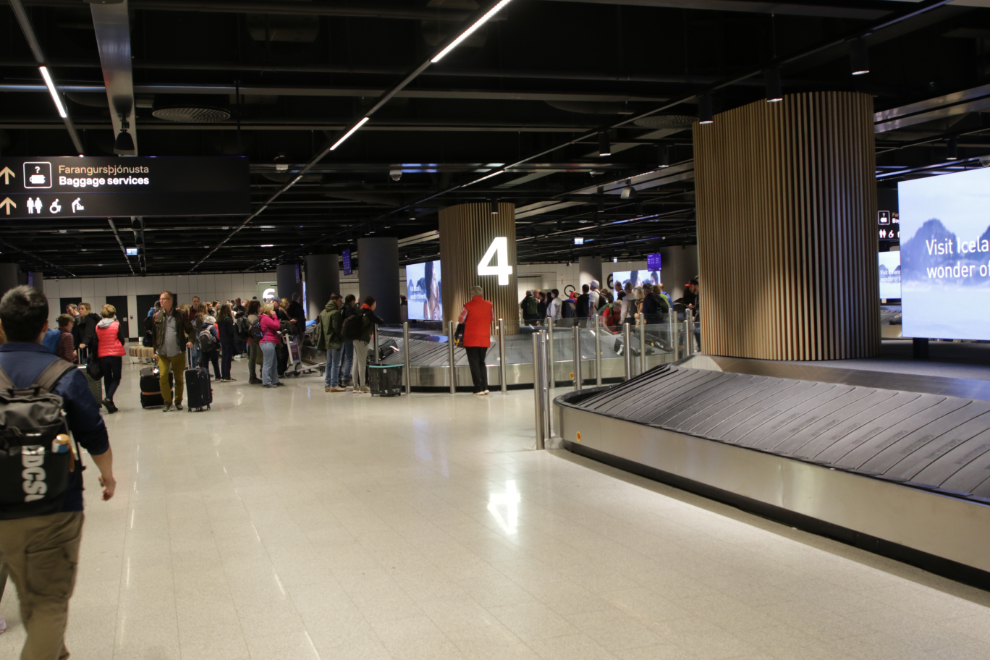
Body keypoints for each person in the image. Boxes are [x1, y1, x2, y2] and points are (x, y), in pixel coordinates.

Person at [0, 285, 115, 660]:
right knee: (49, 602)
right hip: (54, 505)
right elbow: (93, 432)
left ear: (2, 326)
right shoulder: (62, 375)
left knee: (29, 597)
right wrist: (108, 476)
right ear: (45, 326)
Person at [152, 291, 195, 412]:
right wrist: (155, 350)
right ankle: (167, 401)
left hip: (178, 351)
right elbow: (154, 335)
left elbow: (191, 330)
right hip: (162, 353)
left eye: (163, 299)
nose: (161, 301)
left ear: (170, 301)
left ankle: (178, 401)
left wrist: (191, 340)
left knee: (179, 378)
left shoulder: (180, 315)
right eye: (160, 299)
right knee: (163, 376)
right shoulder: (156, 316)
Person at [457, 286, 493, 395]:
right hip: (484, 338)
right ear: (481, 294)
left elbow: (461, 320)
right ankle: (485, 386)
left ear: (472, 295)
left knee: (474, 363)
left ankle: (478, 388)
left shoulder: (467, 306)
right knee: (482, 362)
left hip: (471, 339)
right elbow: (492, 318)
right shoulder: (489, 305)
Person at [95, 304, 127, 414]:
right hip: (115, 355)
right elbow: (121, 340)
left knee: (107, 378)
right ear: (113, 313)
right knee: (117, 377)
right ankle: (108, 398)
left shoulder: (98, 326)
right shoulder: (116, 324)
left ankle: (110, 404)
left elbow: (97, 340)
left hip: (102, 355)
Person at [351, 296, 385, 394]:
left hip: (355, 339)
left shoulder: (358, 310)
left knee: (356, 362)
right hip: (362, 340)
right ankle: (362, 385)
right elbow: (380, 321)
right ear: (373, 304)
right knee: (362, 363)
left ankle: (355, 385)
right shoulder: (369, 313)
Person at [316, 294, 346, 392]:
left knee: (329, 363)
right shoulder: (336, 313)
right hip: (335, 341)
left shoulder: (323, 312)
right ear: (335, 300)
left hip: (327, 341)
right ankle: (334, 384)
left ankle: (328, 384)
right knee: (336, 364)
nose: (341, 303)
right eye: (340, 301)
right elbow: (337, 328)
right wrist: (342, 337)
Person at [258, 303, 282, 388]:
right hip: (267, 342)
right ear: (268, 310)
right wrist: (275, 316)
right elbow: (277, 325)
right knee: (268, 363)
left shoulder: (264, 318)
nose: (273, 311)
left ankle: (275, 380)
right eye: (272, 310)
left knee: (273, 362)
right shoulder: (266, 319)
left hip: (269, 342)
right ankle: (266, 381)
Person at [197, 310, 221, 381]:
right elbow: (216, 337)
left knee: (205, 363)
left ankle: (205, 376)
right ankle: (217, 376)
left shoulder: (202, 327)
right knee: (215, 362)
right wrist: (217, 346)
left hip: (203, 348)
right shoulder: (212, 327)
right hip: (212, 347)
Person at [340, 294, 357, 388]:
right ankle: (346, 378)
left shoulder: (341, 308)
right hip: (348, 336)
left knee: (341, 357)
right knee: (349, 357)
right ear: (352, 301)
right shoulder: (350, 309)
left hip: (341, 335)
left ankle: (340, 376)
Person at [217, 304, 237, 382]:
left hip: (222, 339)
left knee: (224, 357)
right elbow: (231, 331)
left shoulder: (220, 319)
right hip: (229, 340)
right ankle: (227, 375)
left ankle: (224, 375)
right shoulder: (228, 320)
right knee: (228, 358)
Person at [246, 299, 262, 384]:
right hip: (254, 340)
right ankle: (252, 376)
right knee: (253, 357)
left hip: (251, 339)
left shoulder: (249, 315)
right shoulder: (253, 317)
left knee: (252, 357)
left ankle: (253, 376)